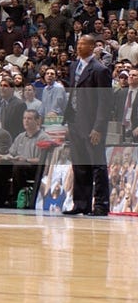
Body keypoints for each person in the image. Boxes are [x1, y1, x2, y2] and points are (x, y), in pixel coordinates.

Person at [64, 34, 112, 215]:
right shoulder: (75, 65)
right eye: (78, 43)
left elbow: (104, 102)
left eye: (83, 44)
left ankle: (100, 205)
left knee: (97, 165)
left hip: (92, 124)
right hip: (75, 121)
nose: (79, 46)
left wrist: (98, 127)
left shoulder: (100, 70)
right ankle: (80, 204)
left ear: (92, 47)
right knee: (79, 164)